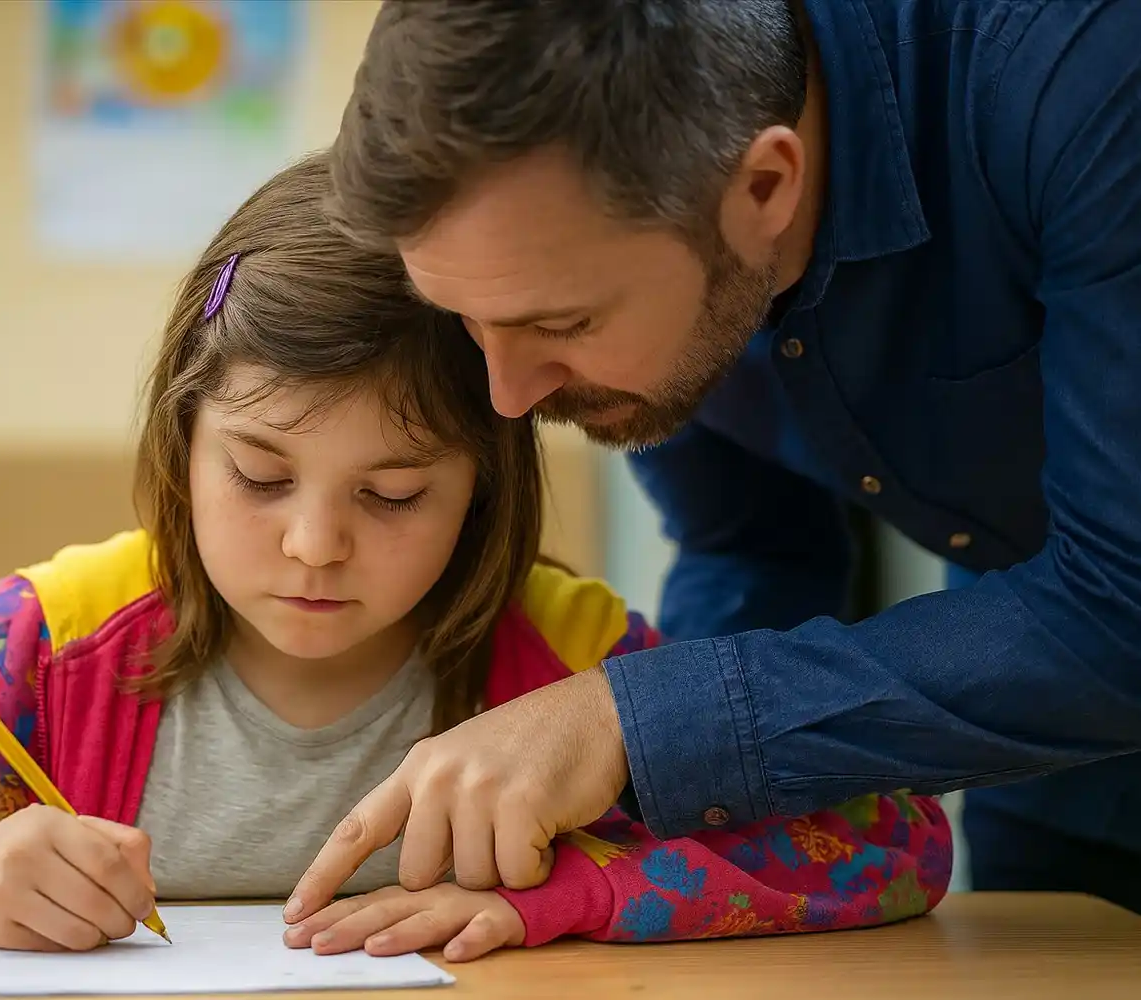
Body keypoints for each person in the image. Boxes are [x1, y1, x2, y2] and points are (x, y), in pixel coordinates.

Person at [0, 155, 950, 960]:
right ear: (181, 446)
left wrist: (578, 893)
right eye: (260, 478)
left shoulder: (565, 664)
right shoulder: (42, 642)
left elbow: (893, 841)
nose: (316, 546)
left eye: (394, 494)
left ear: (484, 488)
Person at [286, 0, 1141, 924]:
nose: (509, 396)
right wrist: (623, 869)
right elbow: (753, 553)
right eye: (466, 319)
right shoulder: (650, 243)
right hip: (1063, 771)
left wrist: (627, 721)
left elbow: (1125, 603)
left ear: (765, 187)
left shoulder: (1082, 75)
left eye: (563, 323)